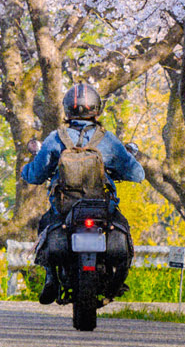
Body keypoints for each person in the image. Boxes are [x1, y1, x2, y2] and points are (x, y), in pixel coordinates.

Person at [20, 82, 146, 305]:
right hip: (102, 206)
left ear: (67, 109)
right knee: (122, 229)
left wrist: (26, 168)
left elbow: (35, 175)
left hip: (64, 208)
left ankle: (51, 277)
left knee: (45, 225)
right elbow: (137, 175)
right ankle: (117, 281)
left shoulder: (55, 138)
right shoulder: (107, 140)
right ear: (97, 109)